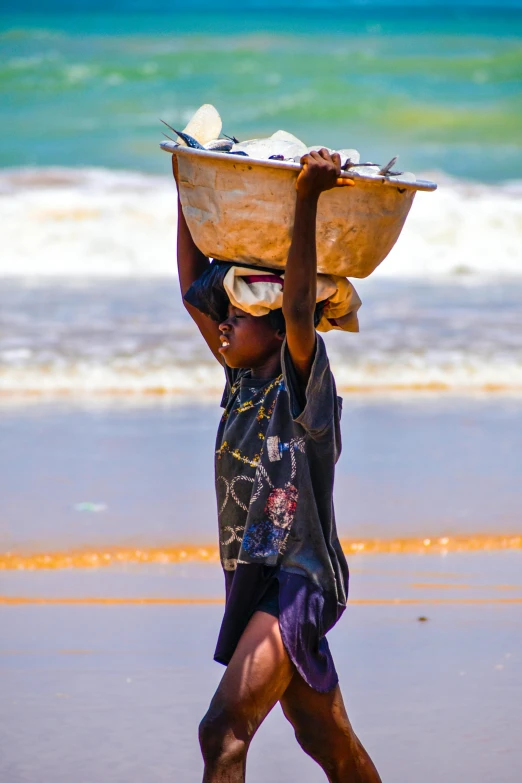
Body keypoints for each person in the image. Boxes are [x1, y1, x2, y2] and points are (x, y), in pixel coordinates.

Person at [173, 148, 382, 783]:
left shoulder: (302, 386)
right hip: (253, 577)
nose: (224, 324)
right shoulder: (239, 379)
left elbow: (297, 311)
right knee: (328, 738)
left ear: (273, 326)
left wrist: (307, 198)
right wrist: (187, 187)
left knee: (223, 731)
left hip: (299, 577)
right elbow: (191, 290)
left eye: (237, 316)